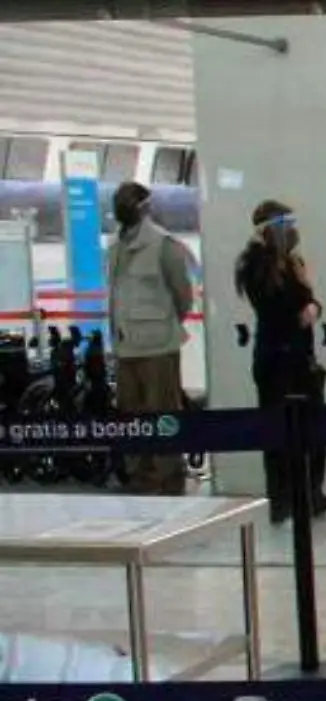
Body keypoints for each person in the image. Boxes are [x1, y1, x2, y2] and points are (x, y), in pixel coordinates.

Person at [236, 200, 326, 523]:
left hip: (302, 358)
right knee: (278, 434)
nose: (292, 230)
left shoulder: (292, 262)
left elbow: (308, 305)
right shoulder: (256, 265)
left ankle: (312, 494)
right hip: (276, 360)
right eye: (286, 224)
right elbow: (283, 311)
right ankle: (282, 498)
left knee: (314, 430)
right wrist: (309, 308)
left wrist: (312, 306)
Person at [105, 180, 195, 495]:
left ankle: (168, 478)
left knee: (163, 414)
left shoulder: (164, 245)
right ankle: (139, 476)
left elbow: (183, 296)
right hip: (125, 347)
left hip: (158, 347)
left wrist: (165, 325)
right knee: (131, 416)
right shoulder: (114, 248)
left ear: (143, 206)